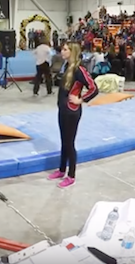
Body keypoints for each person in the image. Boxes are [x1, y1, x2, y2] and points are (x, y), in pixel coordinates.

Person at [47, 42, 98, 189]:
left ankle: (71, 175)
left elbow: (94, 88)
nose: (62, 52)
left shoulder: (79, 69)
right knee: (64, 141)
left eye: (65, 50)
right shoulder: (67, 66)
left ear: (72, 51)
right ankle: (62, 169)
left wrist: (81, 99)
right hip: (63, 109)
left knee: (70, 143)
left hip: (72, 111)